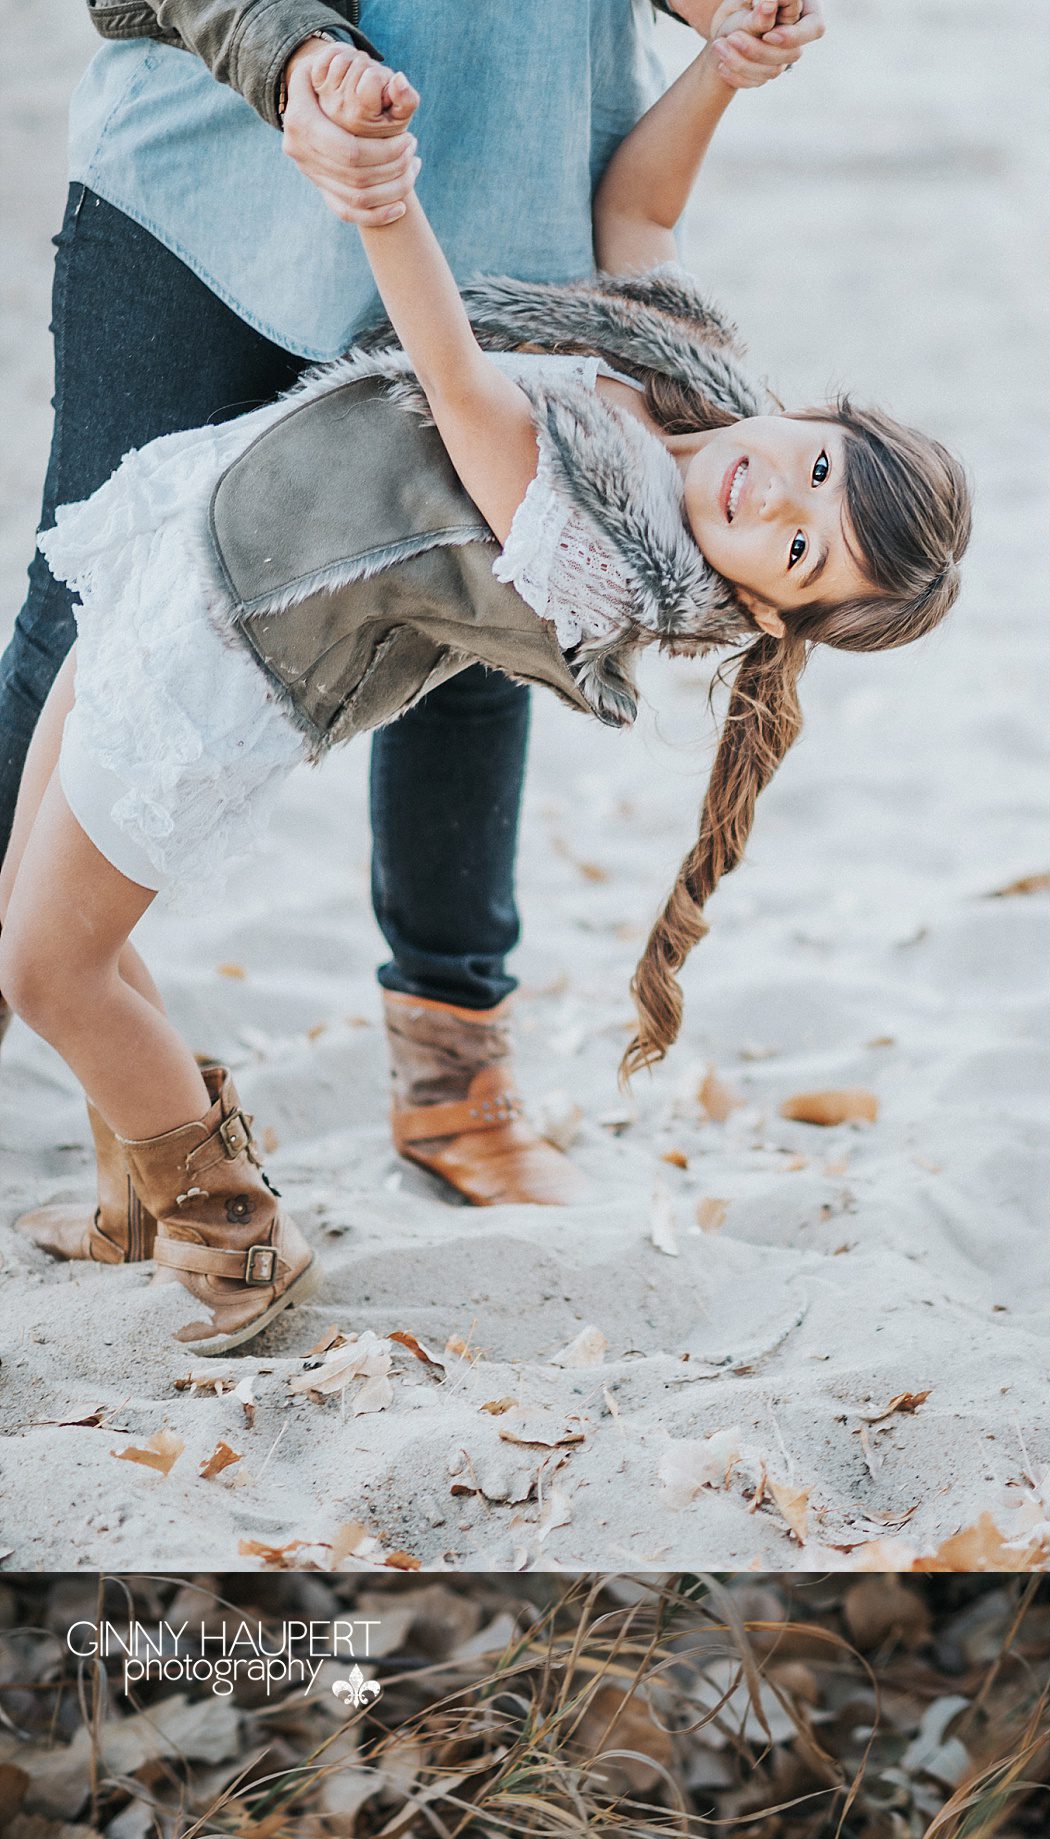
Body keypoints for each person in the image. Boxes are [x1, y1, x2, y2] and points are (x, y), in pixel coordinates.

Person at [0, 28, 968, 1361]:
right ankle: (132, 1206)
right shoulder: (689, 383)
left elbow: (460, 381)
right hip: (192, 545)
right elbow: (639, 207)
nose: (776, 495)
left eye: (799, 547)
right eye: (814, 467)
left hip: (219, 659)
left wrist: (389, 202)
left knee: (50, 967)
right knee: (51, 924)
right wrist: (724, 71)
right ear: (816, 418)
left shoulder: (605, 560)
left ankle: (228, 1229)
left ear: (758, 607)